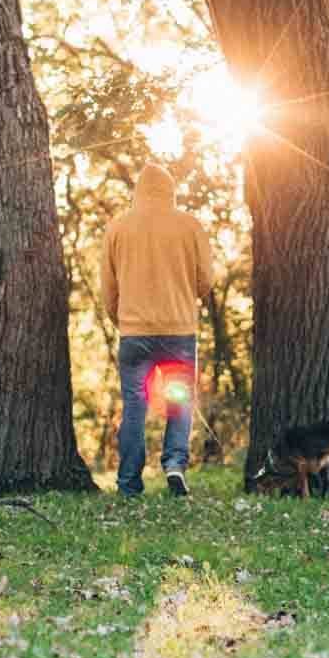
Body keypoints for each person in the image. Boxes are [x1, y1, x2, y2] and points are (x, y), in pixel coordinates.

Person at [101, 162, 213, 498]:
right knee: (179, 401)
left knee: (135, 407)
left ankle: (128, 482)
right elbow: (206, 281)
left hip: (134, 335)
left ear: (138, 190)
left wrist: (122, 320)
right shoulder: (189, 225)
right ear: (170, 190)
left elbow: (108, 288)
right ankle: (175, 463)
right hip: (179, 332)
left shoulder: (118, 227)